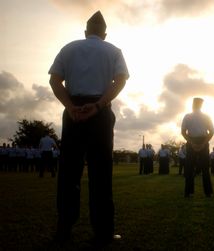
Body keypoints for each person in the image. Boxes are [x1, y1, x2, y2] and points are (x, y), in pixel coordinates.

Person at [48, 11, 129, 244]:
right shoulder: (113, 51)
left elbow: (55, 79)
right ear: (104, 34)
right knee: (101, 173)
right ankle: (103, 231)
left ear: (85, 32)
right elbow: (120, 80)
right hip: (99, 112)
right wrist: (98, 106)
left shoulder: (68, 48)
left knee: (68, 172)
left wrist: (71, 106)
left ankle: (64, 228)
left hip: (73, 111)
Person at [181, 97, 214, 198]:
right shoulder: (206, 116)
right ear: (201, 105)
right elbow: (211, 132)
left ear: (193, 105)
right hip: (202, 141)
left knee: (189, 168)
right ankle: (208, 193)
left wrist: (192, 143)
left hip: (192, 141)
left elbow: (183, 132)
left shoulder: (187, 116)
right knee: (204, 169)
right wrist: (204, 144)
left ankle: (188, 192)